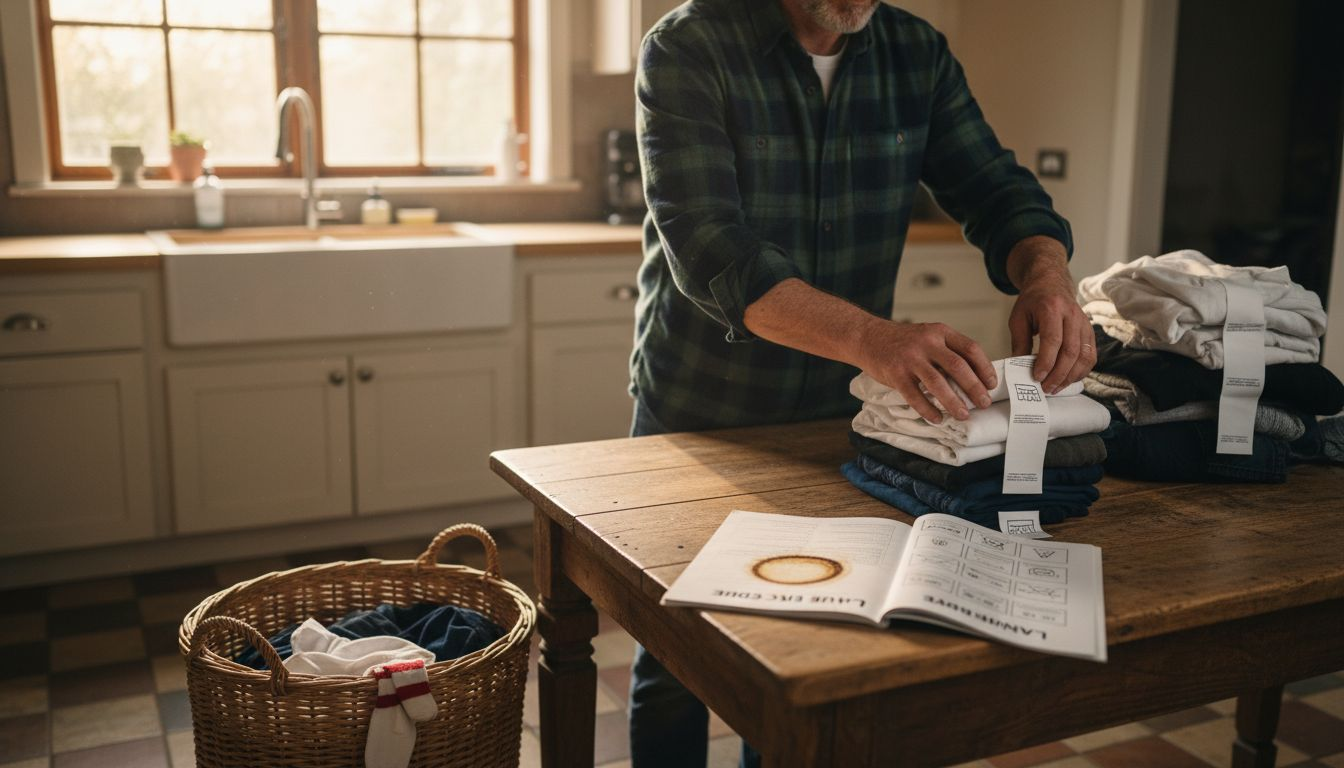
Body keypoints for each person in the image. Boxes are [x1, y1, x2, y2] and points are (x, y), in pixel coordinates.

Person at [627, 0, 1095, 766]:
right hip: (703, 407)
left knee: (806, 652)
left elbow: (997, 190)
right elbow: (712, 247)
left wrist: (1048, 276)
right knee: (674, 652)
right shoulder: (688, 46)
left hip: (844, 415)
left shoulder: (918, 53)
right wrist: (873, 339)